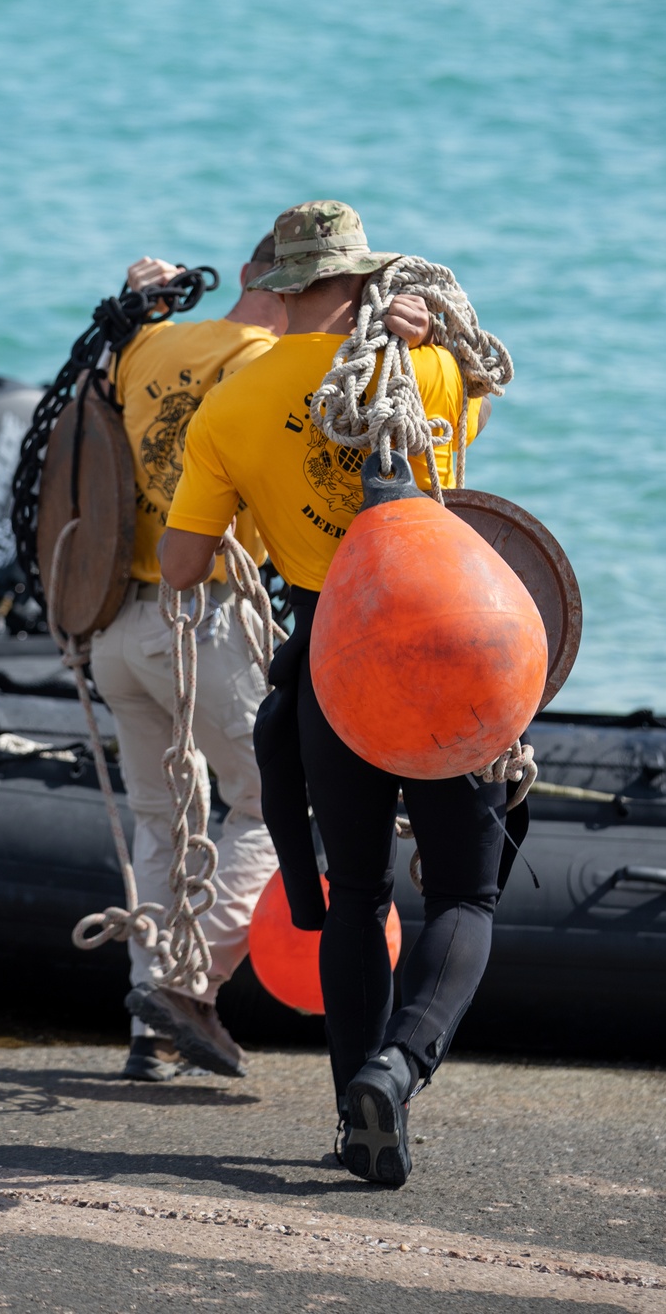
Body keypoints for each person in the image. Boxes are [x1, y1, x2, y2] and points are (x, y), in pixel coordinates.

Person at [160, 200, 508, 1187]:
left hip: (333, 657)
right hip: (441, 650)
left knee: (356, 894)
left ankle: (357, 1119)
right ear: (363, 278)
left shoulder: (230, 403)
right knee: (465, 891)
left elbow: (181, 565)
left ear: (278, 285)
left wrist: (251, 498)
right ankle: (397, 1069)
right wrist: (418, 337)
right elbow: (473, 414)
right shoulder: (428, 369)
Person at [90, 231, 432, 1083]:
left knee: (160, 818)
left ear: (246, 275)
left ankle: (151, 1033)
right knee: (269, 805)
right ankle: (185, 986)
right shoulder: (268, 369)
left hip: (119, 623)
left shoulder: (150, 346)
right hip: (206, 621)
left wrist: (141, 302)